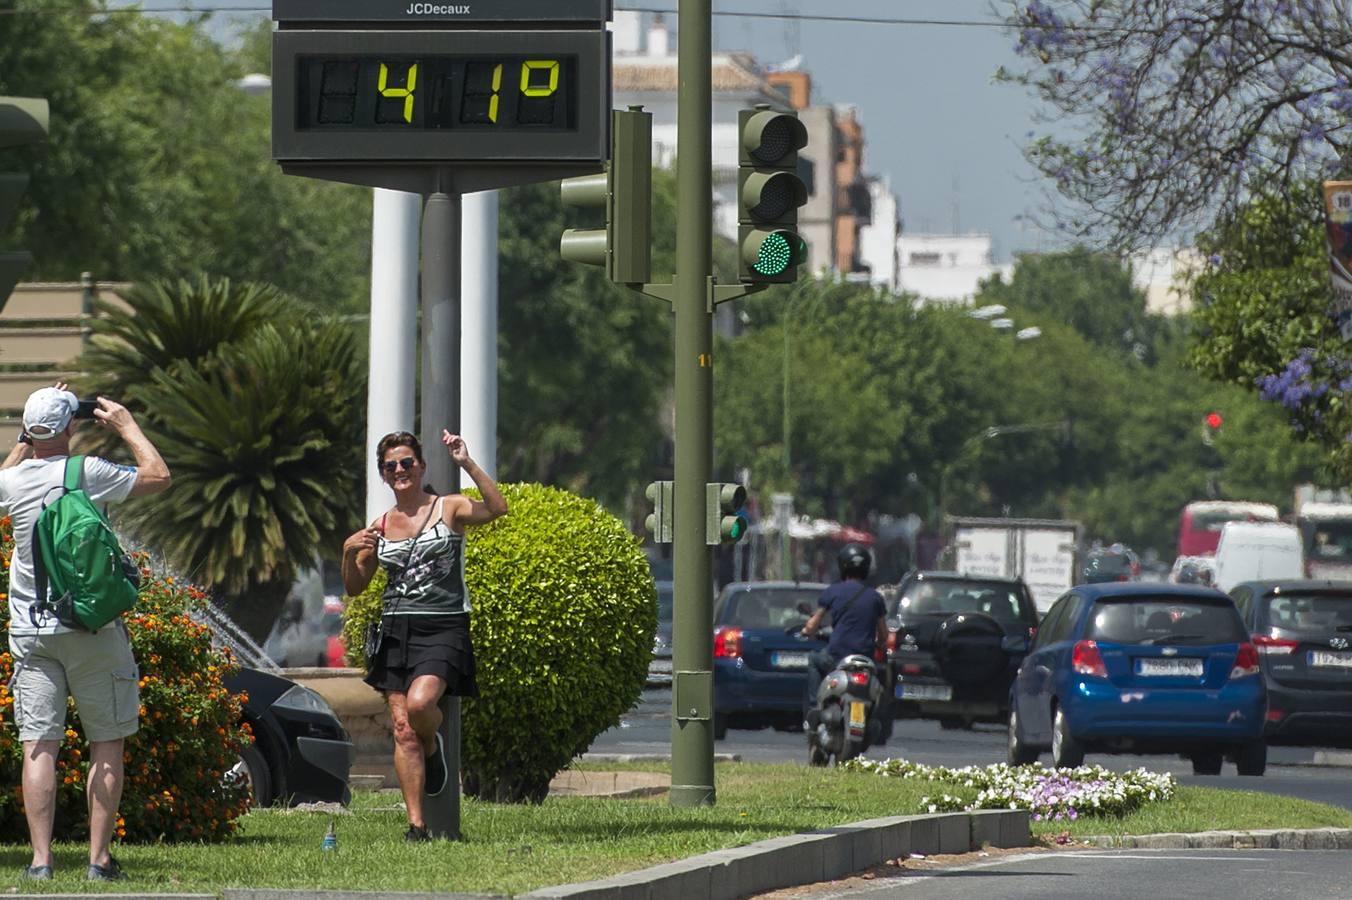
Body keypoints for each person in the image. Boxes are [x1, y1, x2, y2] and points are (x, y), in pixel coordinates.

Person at [2, 385, 171, 882]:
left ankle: (40, 862)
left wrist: (23, 440)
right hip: (91, 628)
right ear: (71, 429)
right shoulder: (87, 472)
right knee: (106, 743)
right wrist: (125, 425)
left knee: (39, 745)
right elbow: (159, 477)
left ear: (32, 432)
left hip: (32, 632)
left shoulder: (12, 483)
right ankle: (97, 861)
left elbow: (11, 469)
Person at [341, 430, 507, 842]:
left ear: (421, 466)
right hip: (397, 628)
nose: (400, 471)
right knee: (401, 728)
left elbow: (497, 508)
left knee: (419, 707)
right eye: (391, 466)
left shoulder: (448, 507)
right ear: (384, 475)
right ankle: (416, 825)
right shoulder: (379, 527)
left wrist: (466, 462)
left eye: (406, 463)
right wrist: (348, 551)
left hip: (444, 625)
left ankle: (433, 747)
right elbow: (355, 587)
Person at [800, 543, 888, 721]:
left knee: (814, 660)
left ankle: (813, 707)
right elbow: (884, 635)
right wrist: (878, 644)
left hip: (836, 656)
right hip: (865, 659)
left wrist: (806, 631)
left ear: (842, 566)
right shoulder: (875, 597)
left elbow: (812, 626)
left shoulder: (833, 592)